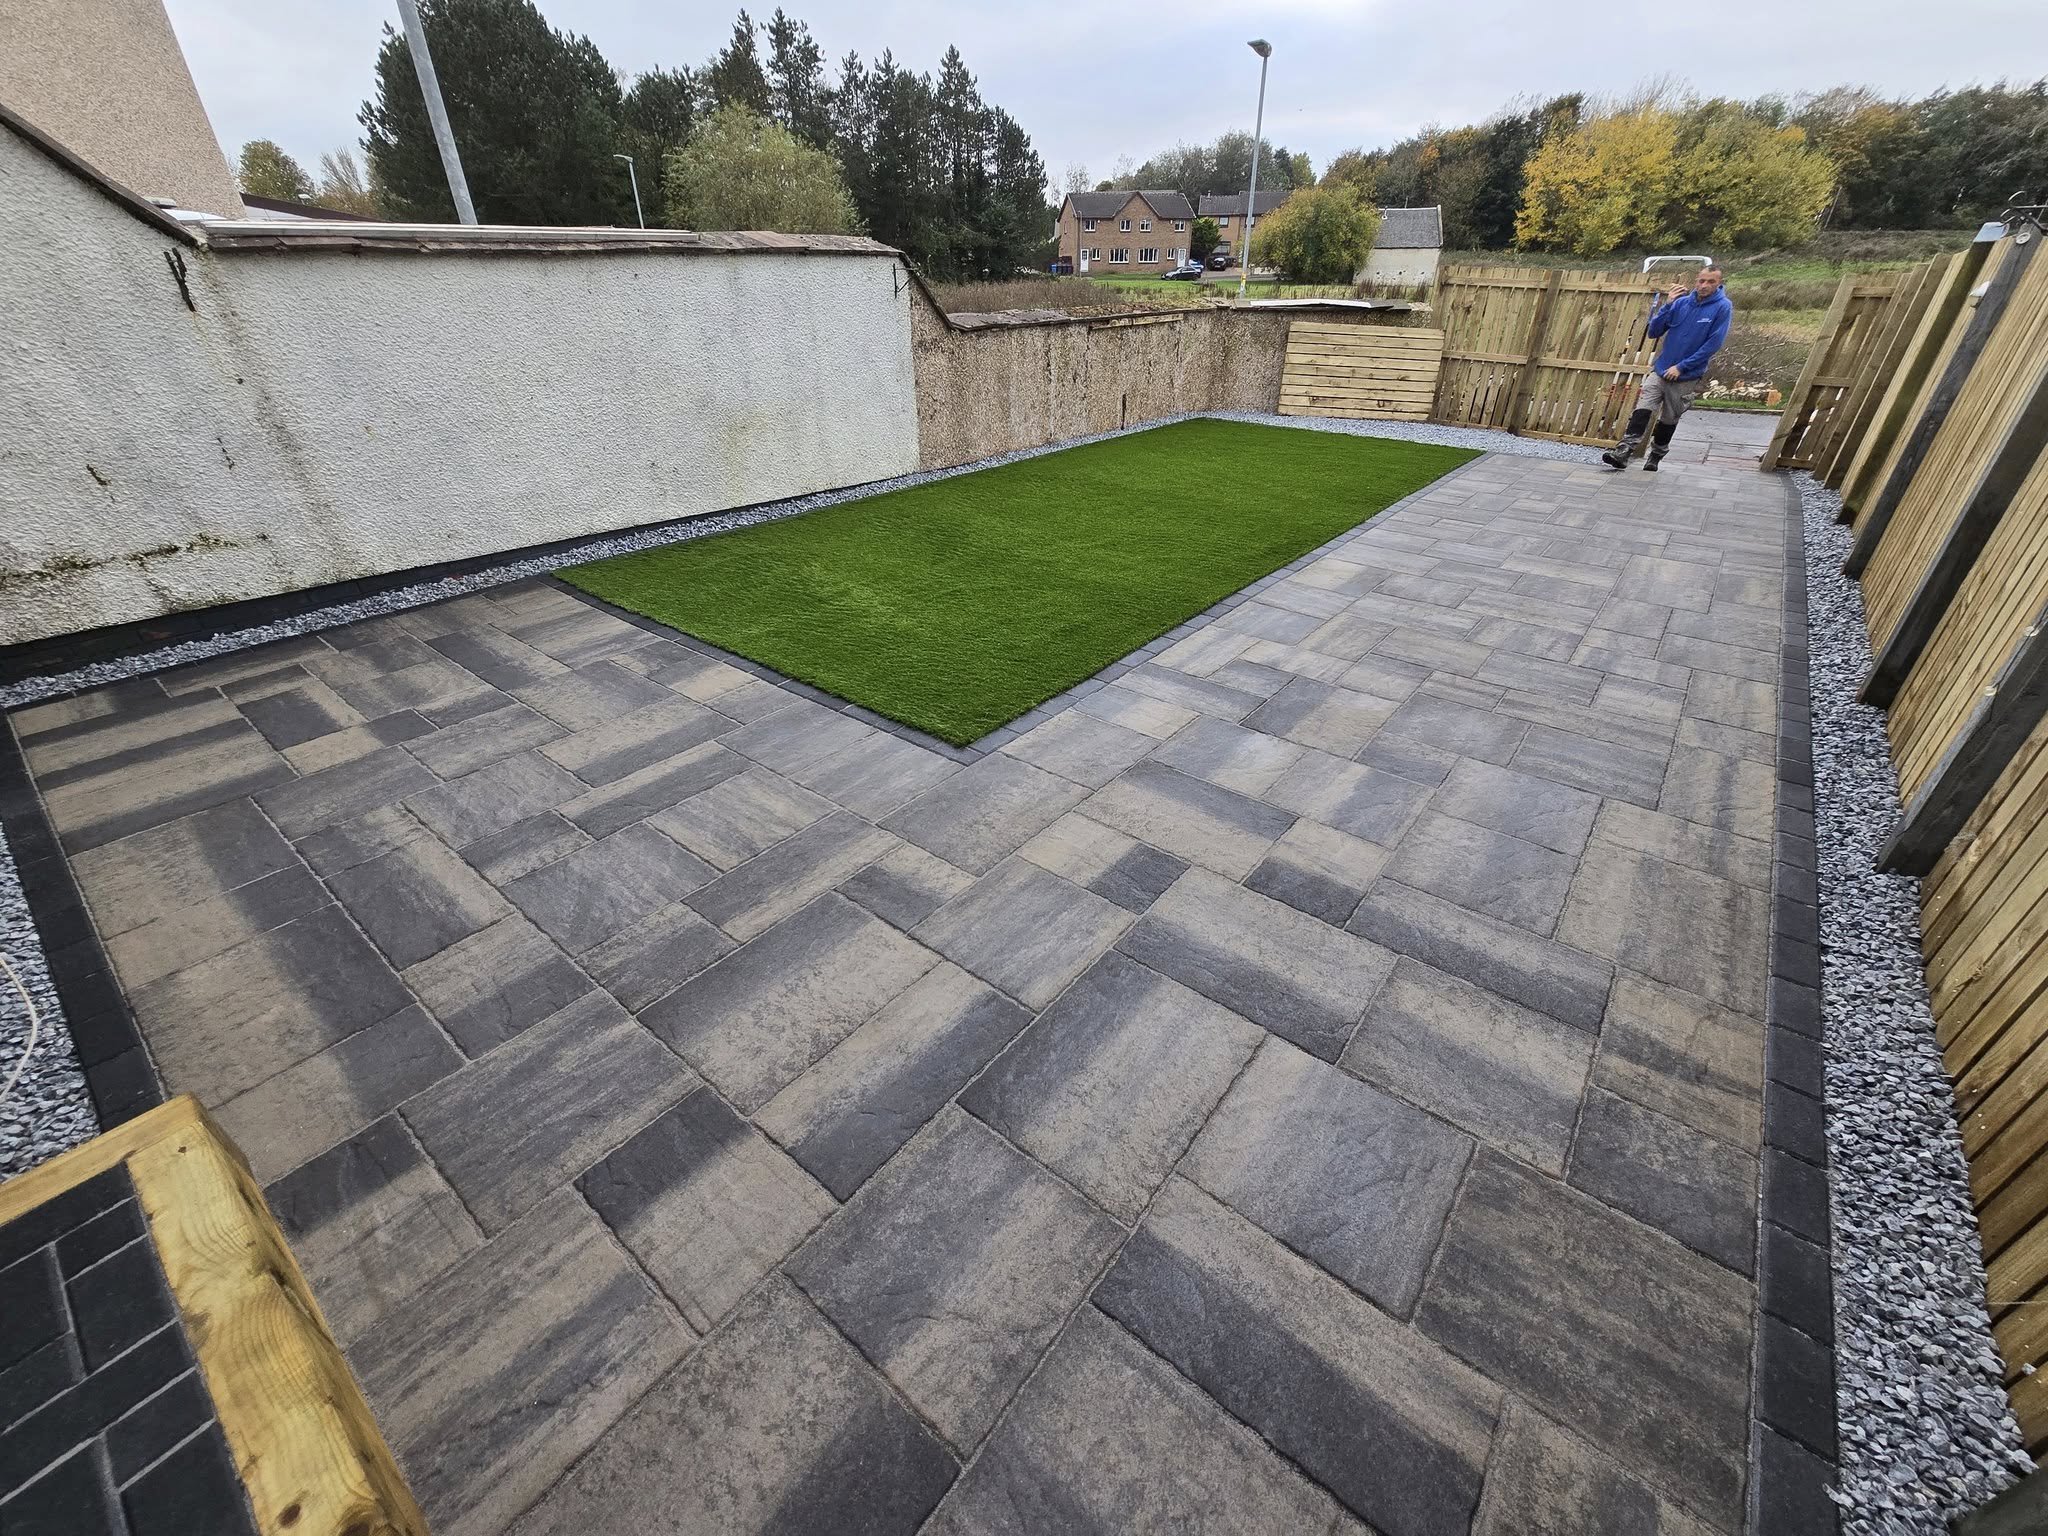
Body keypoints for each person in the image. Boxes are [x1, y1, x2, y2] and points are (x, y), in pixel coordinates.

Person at [1602, 265, 1733, 472]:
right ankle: (1624, 450)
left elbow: (1713, 343)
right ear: (1696, 281)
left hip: (1686, 375)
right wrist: (1668, 305)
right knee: (1642, 408)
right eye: (1701, 280)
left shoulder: (1722, 307)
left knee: (1669, 418)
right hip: (1661, 369)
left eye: (1711, 282)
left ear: (1719, 283)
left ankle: (1656, 454)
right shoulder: (1681, 304)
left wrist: (1682, 367)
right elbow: (1653, 331)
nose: (1704, 285)